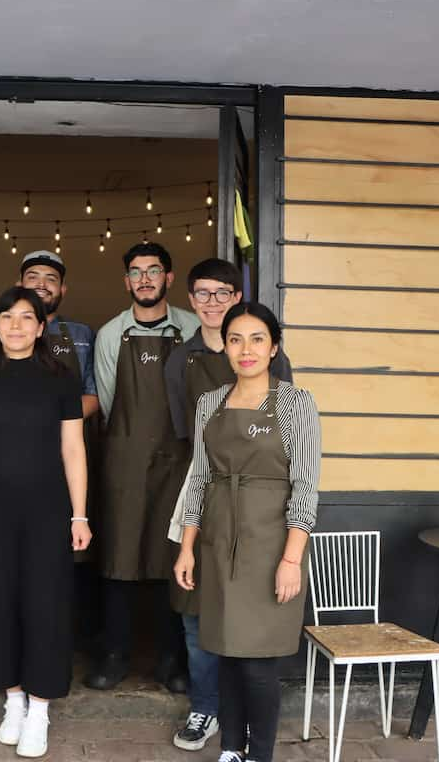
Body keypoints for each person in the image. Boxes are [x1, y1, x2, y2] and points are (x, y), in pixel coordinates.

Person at [172, 302, 320, 762]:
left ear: (273, 347)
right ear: (225, 347)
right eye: (235, 339)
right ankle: (232, 749)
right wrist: (187, 549)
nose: (246, 349)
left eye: (257, 339)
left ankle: (260, 755)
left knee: (257, 664)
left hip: (272, 546)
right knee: (226, 655)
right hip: (218, 543)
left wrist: (292, 559)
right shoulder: (209, 403)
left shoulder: (298, 403)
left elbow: (306, 486)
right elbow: (199, 479)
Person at [162, 259, 293, 752]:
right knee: (196, 615)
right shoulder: (183, 362)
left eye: (223, 293)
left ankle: (250, 741)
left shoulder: (281, 378)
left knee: (248, 626)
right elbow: (189, 445)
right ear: (190, 299)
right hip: (203, 498)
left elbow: (296, 465)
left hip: (262, 517)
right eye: (203, 293)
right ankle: (206, 707)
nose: (213, 302)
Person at [0, 287, 90, 759]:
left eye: (25, 317)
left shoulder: (61, 379)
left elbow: (73, 449)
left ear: (40, 326)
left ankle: (40, 709)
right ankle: (12, 698)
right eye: (7, 317)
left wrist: (80, 514)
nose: (15, 326)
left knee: (45, 605)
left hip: (49, 510)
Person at [88, 242, 200, 693]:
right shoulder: (111, 334)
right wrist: (132, 444)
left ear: (169, 279)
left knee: (173, 558)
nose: (146, 279)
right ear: (127, 281)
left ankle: (173, 660)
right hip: (126, 458)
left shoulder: (191, 328)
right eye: (136, 272)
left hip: (179, 458)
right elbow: (111, 402)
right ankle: (114, 656)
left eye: (154, 271)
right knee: (120, 557)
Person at [0, 249, 98, 417]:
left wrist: (55, 425)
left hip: (69, 437)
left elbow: (93, 394)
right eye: (33, 277)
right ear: (19, 286)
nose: (41, 285)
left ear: (63, 289)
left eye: (51, 279)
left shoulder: (82, 334)